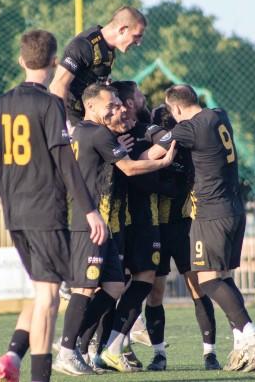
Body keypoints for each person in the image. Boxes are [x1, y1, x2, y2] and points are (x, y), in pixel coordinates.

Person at [0, 29, 107, 382]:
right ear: (54, 62)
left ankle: (14, 354)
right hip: (44, 211)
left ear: (22, 61)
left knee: (42, 288)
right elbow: (65, 161)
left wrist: (0, 191)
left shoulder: (0, 104)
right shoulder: (49, 104)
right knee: (49, 295)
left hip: (15, 215)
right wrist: (90, 209)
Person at [146, 84, 255, 372]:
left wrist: (150, 134)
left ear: (177, 108)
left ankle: (252, 333)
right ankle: (241, 341)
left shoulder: (188, 129)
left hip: (210, 213)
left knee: (208, 281)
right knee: (224, 277)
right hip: (234, 209)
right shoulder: (219, 115)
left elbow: (152, 154)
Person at [53, 83, 176, 375]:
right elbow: (130, 168)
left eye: (116, 104)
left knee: (114, 286)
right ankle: (68, 351)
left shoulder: (84, 132)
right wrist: (165, 161)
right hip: (91, 222)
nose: (114, 110)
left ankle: (77, 346)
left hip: (100, 223)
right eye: (109, 105)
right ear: (90, 106)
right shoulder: (97, 133)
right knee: (86, 288)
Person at [140, 104, 222, 372]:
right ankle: (159, 354)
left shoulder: (187, 149)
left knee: (197, 288)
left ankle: (210, 353)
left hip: (185, 227)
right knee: (155, 292)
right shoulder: (149, 150)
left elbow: (185, 184)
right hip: (157, 229)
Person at [49, 6, 147, 126]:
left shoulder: (108, 49)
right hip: (72, 118)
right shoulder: (84, 45)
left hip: (90, 118)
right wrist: (65, 125)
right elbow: (58, 85)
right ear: (122, 30)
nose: (138, 43)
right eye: (136, 36)